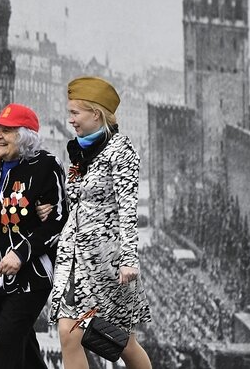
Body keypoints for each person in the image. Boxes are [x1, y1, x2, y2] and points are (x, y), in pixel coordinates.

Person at [40, 77, 152, 369]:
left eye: (76, 113)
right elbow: (75, 201)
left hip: (107, 260)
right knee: (68, 333)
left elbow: (128, 208)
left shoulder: (121, 152)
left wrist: (128, 259)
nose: (71, 120)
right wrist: (55, 211)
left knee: (122, 342)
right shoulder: (78, 153)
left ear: (96, 114)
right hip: (74, 259)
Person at [0, 103, 68, 369]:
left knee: (3, 355)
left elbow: (58, 221)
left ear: (26, 136)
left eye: (6, 130)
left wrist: (21, 253)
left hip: (31, 278)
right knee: (24, 350)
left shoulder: (46, 166)